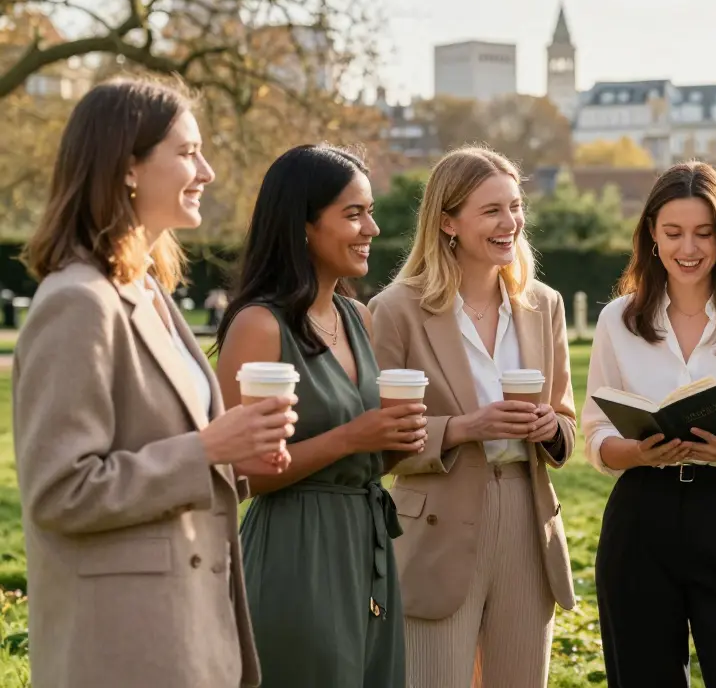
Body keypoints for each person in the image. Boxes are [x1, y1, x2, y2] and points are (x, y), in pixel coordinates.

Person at [13, 78, 296, 688]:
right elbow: (60, 491)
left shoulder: (149, 295)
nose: (209, 171)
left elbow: (170, 455)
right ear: (128, 167)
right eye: (189, 152)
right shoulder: (79, 303)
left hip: (189, 633)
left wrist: (239, 454)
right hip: (125, 646)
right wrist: (209, 448)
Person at [583, 161, 716, 688]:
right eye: (674, 232)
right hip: (640, 518)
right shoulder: (618, 319)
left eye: (704, 233)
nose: (689, 248)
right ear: (652, 237)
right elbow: (596, 435)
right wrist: (635, 453)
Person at [214, 145, 425, 687]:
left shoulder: (359, 316)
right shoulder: (259, 327)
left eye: (370, 211)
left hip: (368, 547)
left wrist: (395, 441)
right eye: (353, 214)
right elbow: (240, 473)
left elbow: (367, 458)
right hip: (296, 554)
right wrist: (353, 437)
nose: (372, 228)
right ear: (302, 226)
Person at [369, 146, 577, 687]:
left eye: (514, 207)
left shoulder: (543, 306)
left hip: (527, 524)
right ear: (448, 223)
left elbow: (567, 422)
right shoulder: (396, 310)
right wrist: (463, 429)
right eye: (491, 211)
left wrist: (552, 429)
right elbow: (376, 442)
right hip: (437, 525)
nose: (510, 223)